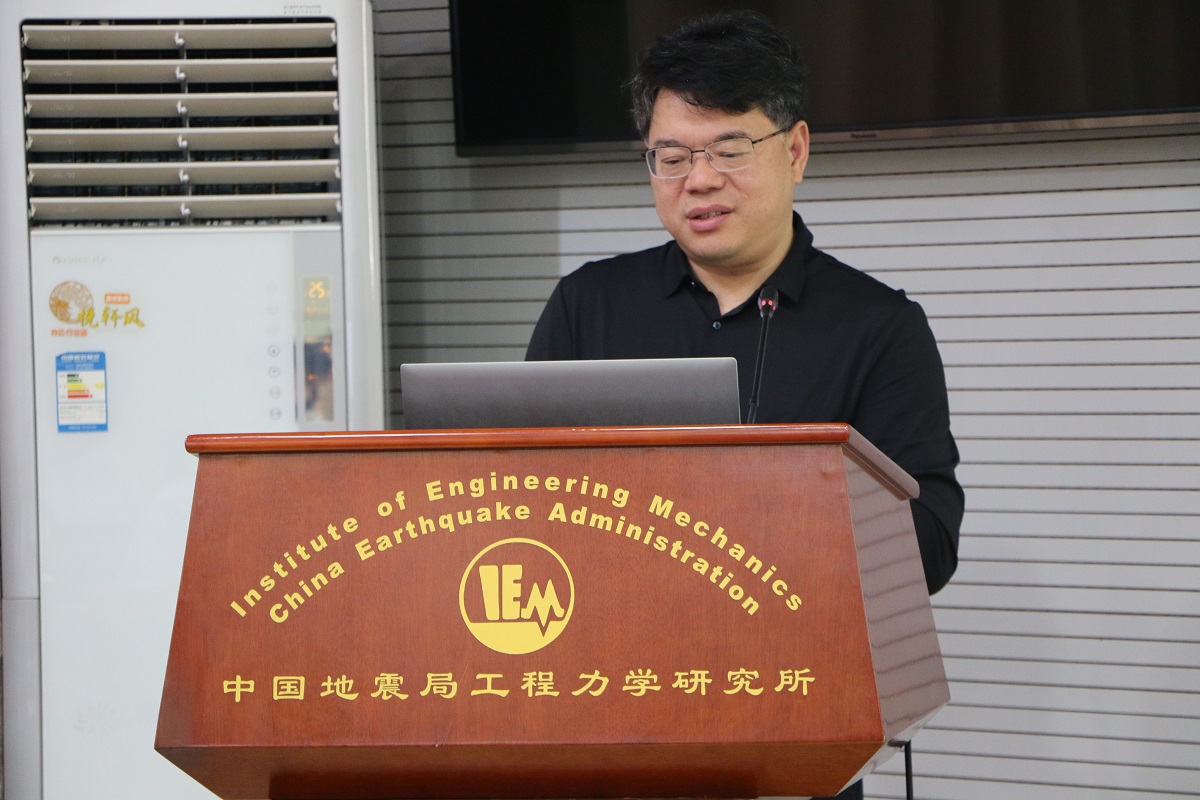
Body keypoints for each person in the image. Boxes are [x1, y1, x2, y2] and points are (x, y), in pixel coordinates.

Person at [526, 11, 963, 798]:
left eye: (729, 149)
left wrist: (770, 511)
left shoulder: (879, 327)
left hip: (794, 724)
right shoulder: (588, 305)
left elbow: (929, 546)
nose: (698, 180)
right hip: (603, 713)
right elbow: (510, 502)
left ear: (795, 151)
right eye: (671, 157)